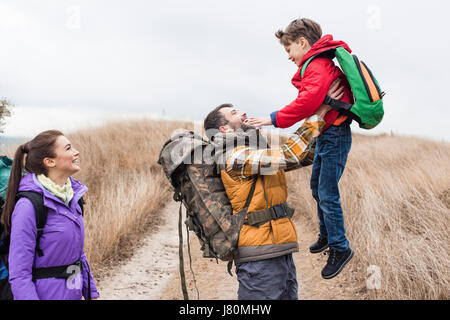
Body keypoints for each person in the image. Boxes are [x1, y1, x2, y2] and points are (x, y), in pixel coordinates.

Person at [203, 81, 342, 300]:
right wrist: (320, 111)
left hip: (278, 249)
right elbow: (289, 154)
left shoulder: (252, 150)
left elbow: (303, 156)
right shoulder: (234, 156)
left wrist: (331, 121)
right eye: (235, 113)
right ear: (224, 129)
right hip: (259, 257)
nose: (243, 113)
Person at [246, 18, 354, 280]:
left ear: (302, 42)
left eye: (289, 50)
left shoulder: (316, 65)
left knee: (327, 192)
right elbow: (311, 101)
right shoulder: (318, 64)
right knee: (317, 186)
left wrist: (274, 118)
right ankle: (327, 235)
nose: (289, 57)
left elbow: (307, 102)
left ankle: (340, 248)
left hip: (334, 134)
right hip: (327, 133)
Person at [0, 130, 99, 300]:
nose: (76, 152)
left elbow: (77, 254)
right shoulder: (29, 206)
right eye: (68, 148)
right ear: (49, 161)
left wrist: (92, 294)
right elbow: (19, 275)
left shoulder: (72, 198)